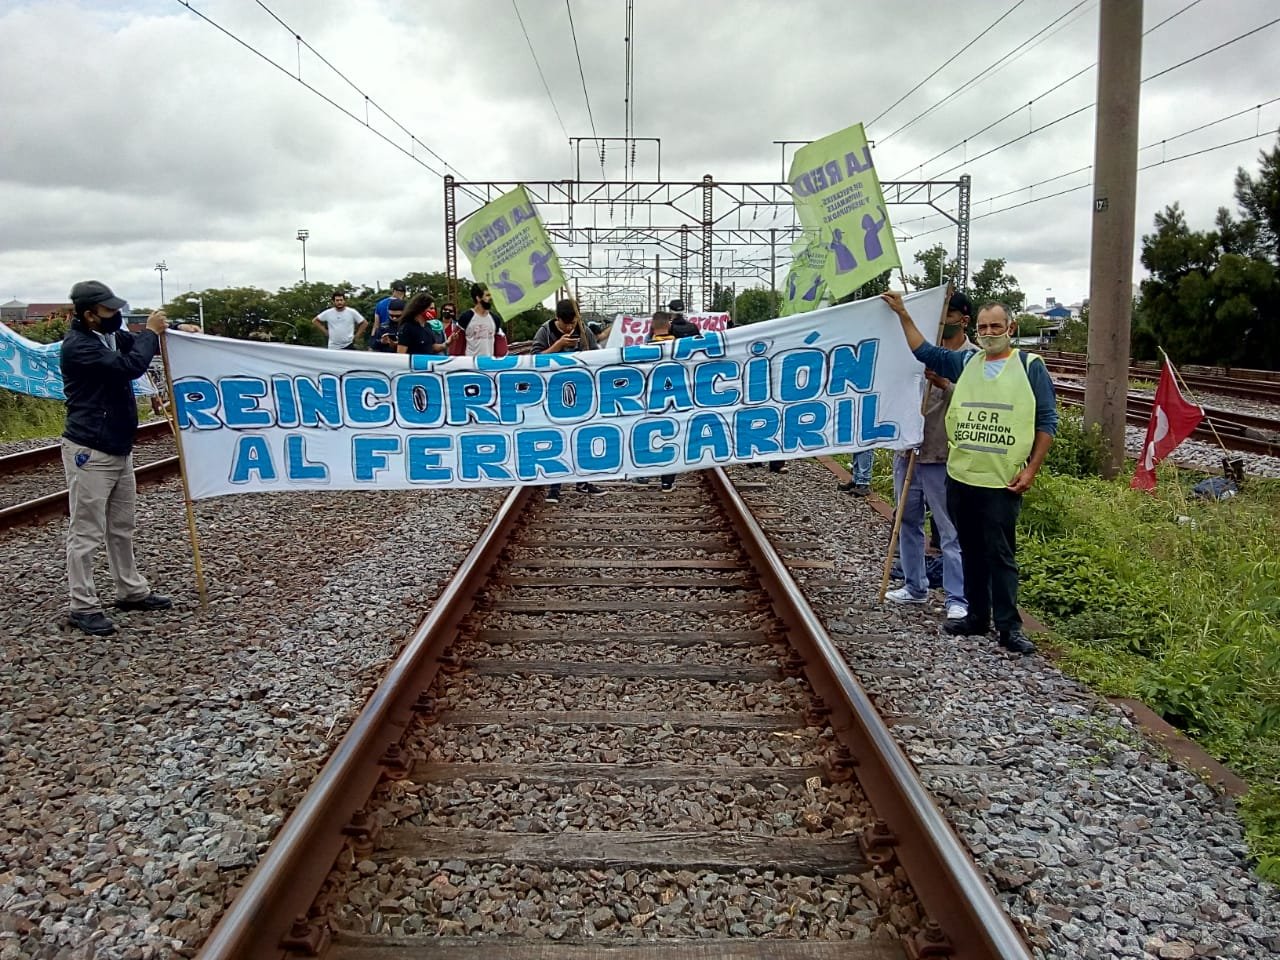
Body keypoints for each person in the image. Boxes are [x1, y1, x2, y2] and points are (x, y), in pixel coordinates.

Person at [883, 290, 1057, 655]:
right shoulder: (968, 363)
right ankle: (977, 617)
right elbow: (924, 352)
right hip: (962, 476)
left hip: (1001, 480)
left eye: (996, 325)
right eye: (984, 326)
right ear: (975, 329)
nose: (990, 331)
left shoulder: (1029, 366)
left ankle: (1009, 627)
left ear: (1011, 327)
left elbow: (1046, 421)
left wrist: (1032, 470)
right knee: (971, 549)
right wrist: (902, 314)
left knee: (1000, 555)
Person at [59, 281, 172, 636]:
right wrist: (151, 333)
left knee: (121, 525)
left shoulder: (107, 336)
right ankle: (83, 604)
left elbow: (135, 345)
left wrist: (174, 331)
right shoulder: (79, 347)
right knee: (86, 530)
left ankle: (130, 589)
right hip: (90, 448)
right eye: (109, 311)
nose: (116, 316)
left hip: (118, 445)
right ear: (88, 314)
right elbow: (131, 365)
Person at [884, 291, 979, 621]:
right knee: (907, 521)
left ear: (963, 319)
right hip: (909, 451)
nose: (943, 320)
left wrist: (944, 384)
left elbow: (973, 403)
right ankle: (914, 585)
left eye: (949, 314)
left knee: (949, 529)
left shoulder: (972, 358)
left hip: (944, 455)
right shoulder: (920, 350)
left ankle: (957, 596)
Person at [533, 299, 603, 502]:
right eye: (566, 324)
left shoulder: (583, 331)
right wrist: (558, 345)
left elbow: (598, 357)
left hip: (581, 394)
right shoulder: (545, 331)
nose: (570, 327)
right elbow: (533, 359)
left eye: (573, 323)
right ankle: (554, 487)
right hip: (553, 395)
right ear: (557, 319)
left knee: (581, 438)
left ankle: (583, 481)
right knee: (558, 439)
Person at [633, 312, 678, 492]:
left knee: (647, 437)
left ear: (652, 325)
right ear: (669, 324)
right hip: (673, 400)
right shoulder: (679, 345)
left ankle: (642, 474)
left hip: (650, 400)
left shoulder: (644, 347)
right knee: (672, 438)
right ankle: (667, 482)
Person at [454, 282, 505, 357]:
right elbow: (457, 344)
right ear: (478, 298)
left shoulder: (495, 319)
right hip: (470, 364)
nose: (490, 298)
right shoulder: (466, 318)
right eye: (487, 295)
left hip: (488, 364)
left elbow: (499, 344)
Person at [370, 280, 407, 347]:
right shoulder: (404, 305)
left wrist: (372, 341)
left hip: (383, 336)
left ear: (393, 290)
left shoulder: (380, 304)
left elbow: (376, 325)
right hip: (400, 339)